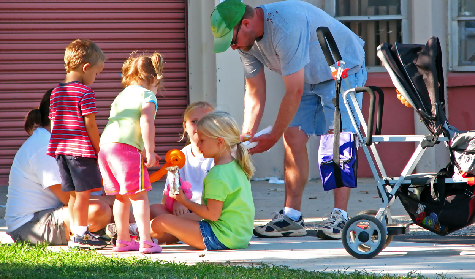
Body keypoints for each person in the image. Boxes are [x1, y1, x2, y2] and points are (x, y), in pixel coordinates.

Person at [210, 0, 367, 239]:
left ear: (246, 23)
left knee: (337, 139)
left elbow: (293, 91)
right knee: (292, 136)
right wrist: (246, 137)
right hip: (306, 77)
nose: (232, 48)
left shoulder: (284, 26)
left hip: (342, 70)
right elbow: (254, 92)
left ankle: (340, 217)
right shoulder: (246, 44)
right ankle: (292, 217)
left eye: (231, 41)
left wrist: (271, 136)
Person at [5, 89, 112, 245]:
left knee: (112, 208)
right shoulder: (44, 146)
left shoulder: (59, 143)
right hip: (29, 225)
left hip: (54, 213)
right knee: (99, 211)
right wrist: (108, 200)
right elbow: (68, 198)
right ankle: (98, 231)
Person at [150, 111, 255, 250]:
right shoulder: (236, 166)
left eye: (202, 140)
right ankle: (147, 238)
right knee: (179, 221)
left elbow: (211, 215)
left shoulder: (217, 174)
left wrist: (184, 201)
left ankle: (136, 234)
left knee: (162, 221)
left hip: (220, 237)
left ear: (220, 142)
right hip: (238, 236)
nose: (198, 144)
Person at [98, 52, 163, 253]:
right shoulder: (147, 95)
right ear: (153, 79)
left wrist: (141, 151)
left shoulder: (121, 95)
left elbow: (125, 126)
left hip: (106, 148)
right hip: (125, 150)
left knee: (121, 196)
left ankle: (123, 240)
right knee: (139, 195)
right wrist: (150, 151)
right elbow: (146, 121)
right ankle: (145, 240)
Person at [47, 39, 108, 248]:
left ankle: (76, 233)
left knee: (73, 195)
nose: (95, 78)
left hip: (61, 151)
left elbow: (54, 123)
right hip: (80, 151)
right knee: (83, 195)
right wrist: (99, 148)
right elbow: (90, 124)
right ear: (86, 67)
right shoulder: (85, 93)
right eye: (96, 73)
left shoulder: (55, 93)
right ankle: (81, 234)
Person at [146, 101, 215, 244]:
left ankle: (145, 234)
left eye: (205, 121)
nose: (199, 126)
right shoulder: (180, 156)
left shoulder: (217, 156)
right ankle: (160, 232)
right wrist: (176, 202)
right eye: (194, 121)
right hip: (182, 211)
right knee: (154, 209)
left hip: (205, 213)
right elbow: (168, 195)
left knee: (166, 222)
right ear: (185, 126)